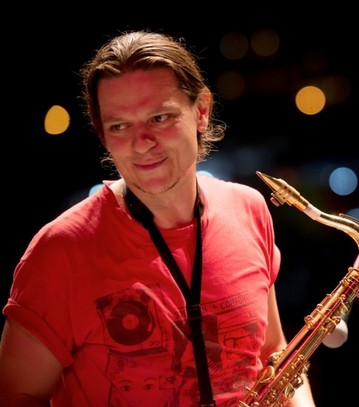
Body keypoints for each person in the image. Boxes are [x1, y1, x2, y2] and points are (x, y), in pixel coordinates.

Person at [0, 30, 316, 407]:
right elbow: (19, 396)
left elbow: (273, 353)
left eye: (159, 117)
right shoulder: (59, 250)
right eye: (120, 126)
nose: (141, 142)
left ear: (201, 111)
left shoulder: (248, 208)